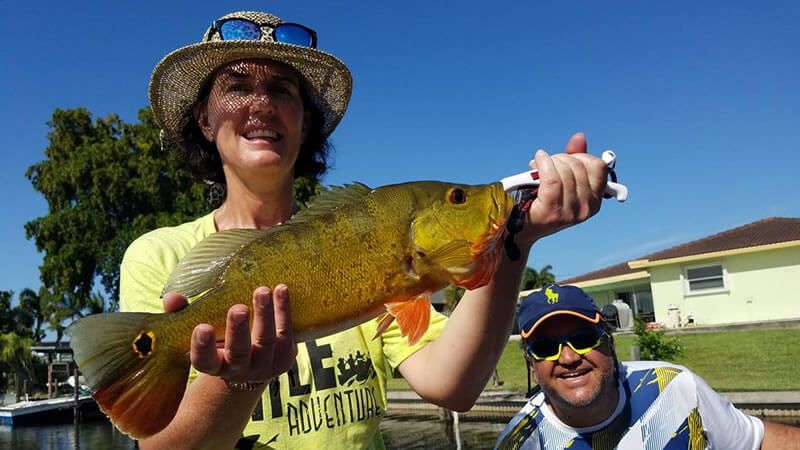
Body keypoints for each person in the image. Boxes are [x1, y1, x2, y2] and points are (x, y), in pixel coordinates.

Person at [120, 10, 611, 449]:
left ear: (306, 121)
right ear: (204, 120)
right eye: (237, 86)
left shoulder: (391, 264)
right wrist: (239, 379)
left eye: (282, 90)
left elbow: (454, 386)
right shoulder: (159, 257)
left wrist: (514, 239)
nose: (262, 103)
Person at [495, 284, 800, 450]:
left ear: (610, 344)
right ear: (532, 365)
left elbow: (758, 441)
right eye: (546, 348)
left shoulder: (672, 386)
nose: (569, 358)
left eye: (583, 339)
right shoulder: (521, 441)